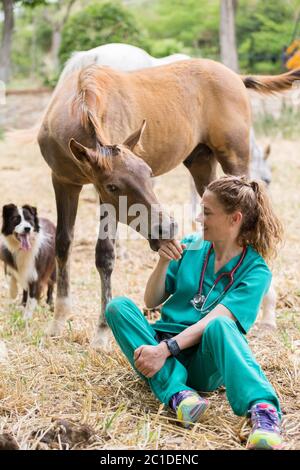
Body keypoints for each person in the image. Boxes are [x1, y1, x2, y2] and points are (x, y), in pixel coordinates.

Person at [105, 175, 284, 450]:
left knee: (221, 326)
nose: (198, 218)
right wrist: (163, 262)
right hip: (161, 344)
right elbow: (151, 300)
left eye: (207, 212)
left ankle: (263, 411)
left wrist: (164, 350)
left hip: (204, 358)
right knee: (118, 307)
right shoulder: (193, 245)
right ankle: (180, 396)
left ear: (234, 219)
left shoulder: (256, 271)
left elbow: (217, 319)